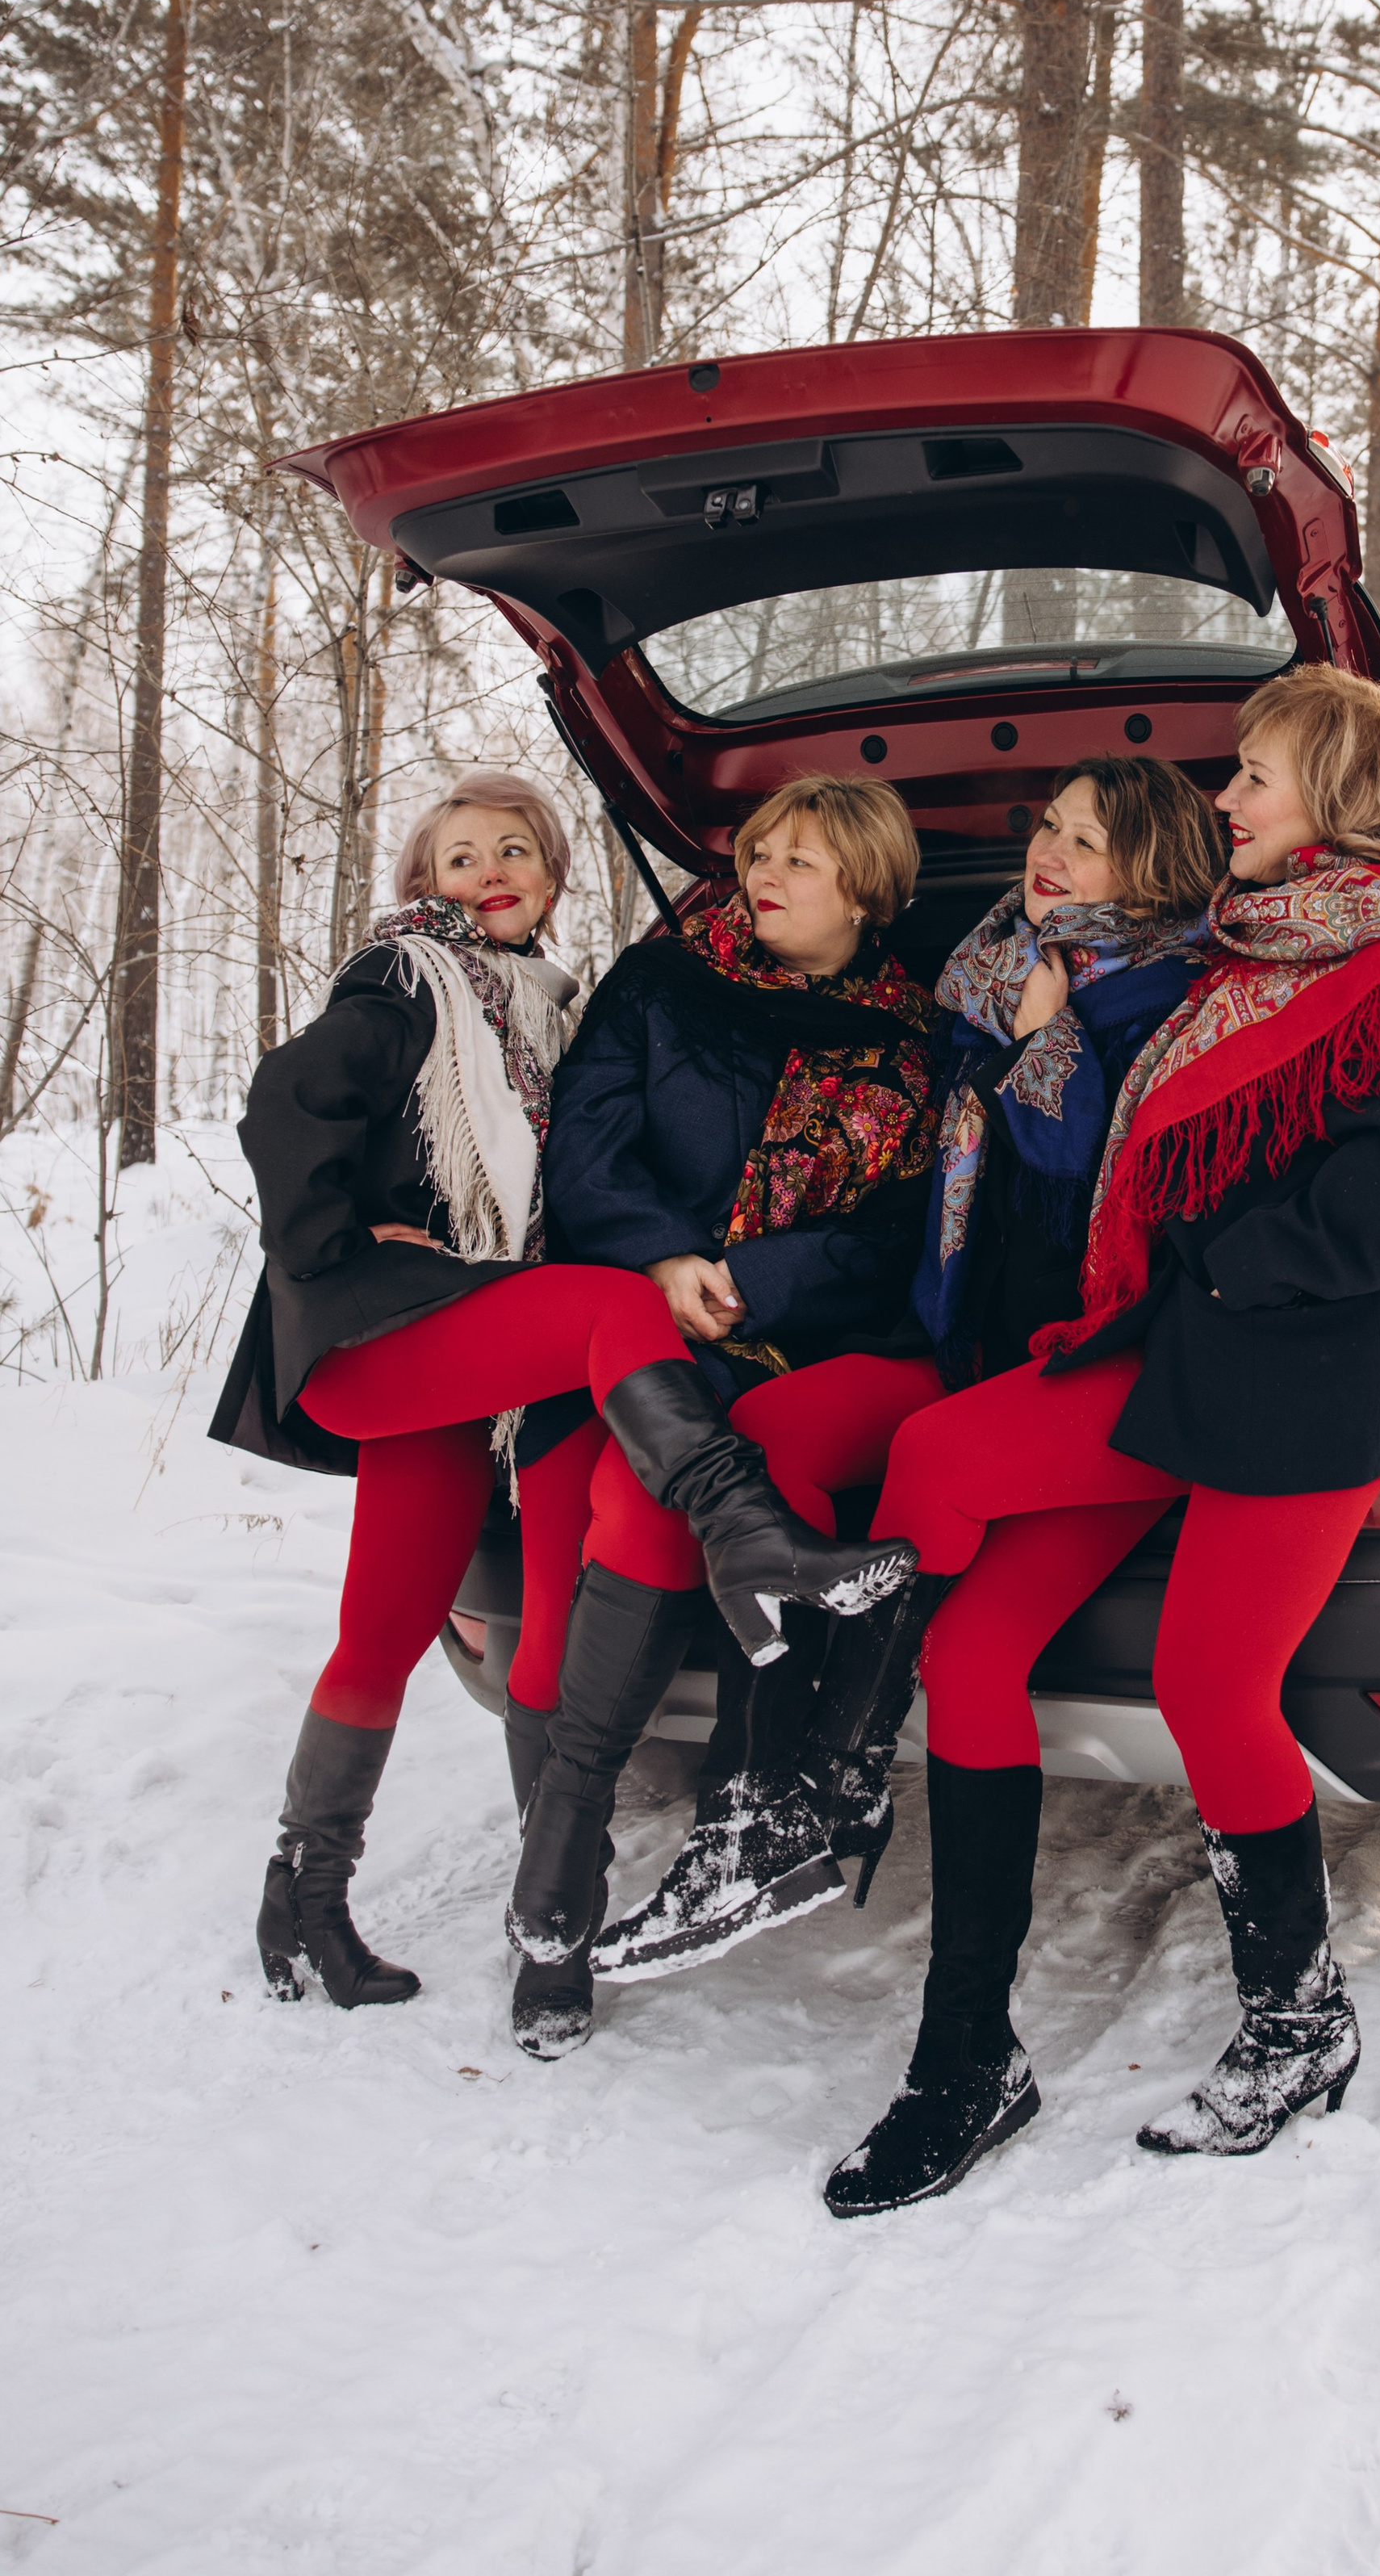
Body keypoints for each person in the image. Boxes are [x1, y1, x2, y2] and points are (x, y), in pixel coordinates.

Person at [821, 667, 1380, 2215]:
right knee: (973, 1633)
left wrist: (1227, 1254)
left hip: (1302, 1381)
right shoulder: (1245, 950)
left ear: (1336, 793)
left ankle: (1296, 2020)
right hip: (1168, 1358)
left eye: (1257, 775)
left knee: (1213, 1683)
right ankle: (965, 2060)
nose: (1228, 800)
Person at [213, 770, 905, 2052]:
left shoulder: (549, 1002)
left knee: (411, 1630)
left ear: (551, 880)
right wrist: (339, 1257)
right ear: (427, 876)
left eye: (516, 849)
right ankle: (737, 1518)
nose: (490, 868)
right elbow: (287, 1104)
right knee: (606, 1305)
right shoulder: (405, 979)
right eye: (461, 850)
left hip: (488, 1373)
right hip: (394, 1330)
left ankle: (351, 1908)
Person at [588, 754, 1223, 1985]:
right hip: (949, 1343)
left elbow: (1082, 1174)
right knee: (767, 1449)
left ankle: (822, 1791)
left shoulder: (1168, 998)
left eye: (1086, 843)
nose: (1050, 854)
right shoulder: (980, 971)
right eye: (1050, 826)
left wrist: (1052, 1045)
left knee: (924, 1482)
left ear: (1147, 868)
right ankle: (761, 1806)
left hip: (1077, 1360)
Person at [500, 773, 942, 2038]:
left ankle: (590, 1898)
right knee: (581, 1574)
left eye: (800, 860)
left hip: (787, 1341)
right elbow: (587, 1145)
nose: (764, 875)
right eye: (760, 851)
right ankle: (560, 1914)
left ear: (865, 888)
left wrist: (755, 1281)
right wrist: (663, 1261)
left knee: (643, 1512)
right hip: (629, 1332)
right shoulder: (662, 978)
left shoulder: (912, 1039)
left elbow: (899, 1233)